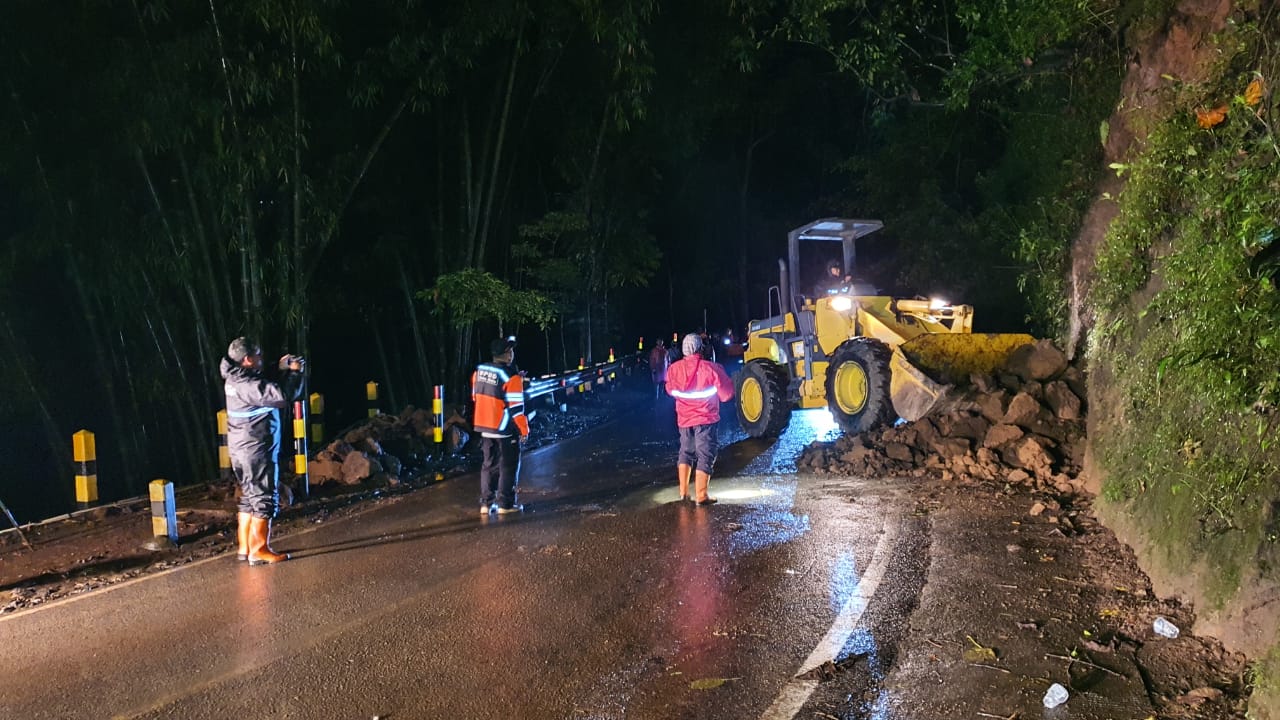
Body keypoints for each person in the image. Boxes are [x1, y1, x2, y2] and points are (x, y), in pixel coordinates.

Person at [221, 337, 304, 565]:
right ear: (247, 360)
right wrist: (295, 374)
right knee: (265, 498)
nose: (261, 358)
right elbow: (281, 396)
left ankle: (245, 548)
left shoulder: (236, 377)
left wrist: (279, 369)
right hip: (256, 448)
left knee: (250, 497)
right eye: (257, 355)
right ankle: (259, 550)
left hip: (243, 448)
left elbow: (261, 385)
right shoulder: (246, 385)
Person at [665, 333, 735, 505]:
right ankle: (701, 495)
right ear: (700, 348)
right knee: (705, 454)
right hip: (705, 419)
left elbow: (669, 389)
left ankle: (683, 492)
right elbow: (726, 395)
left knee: (686, 452)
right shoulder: (711, 368)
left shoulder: (674, 369)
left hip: (684, 420)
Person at [472, 337, 530, 515]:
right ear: (504, 355)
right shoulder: (510, 377)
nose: (512, 354)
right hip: (503, 429)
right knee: (508, 466)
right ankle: (505, 504)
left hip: (484, 427)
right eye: (509, 351)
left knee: (488, 465)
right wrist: (524, 429)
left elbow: (476, 397)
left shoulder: (479, 371)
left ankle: (486, 504)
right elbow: (516, 409)